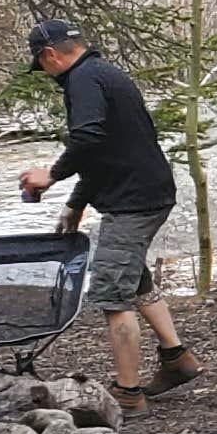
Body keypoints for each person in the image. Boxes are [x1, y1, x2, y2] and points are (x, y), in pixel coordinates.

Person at [20, 20, 197, 397]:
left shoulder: (83, 81)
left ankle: (127, 393)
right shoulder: (101, 74)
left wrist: (50, 175)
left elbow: (88, 138)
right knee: (133, 279)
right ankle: (177, 359)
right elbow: (102, 151)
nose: (46, 74)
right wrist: (75, 203)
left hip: (134, 202)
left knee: (112, 295)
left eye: (42, 66)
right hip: (145, 193)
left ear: (50, 55)